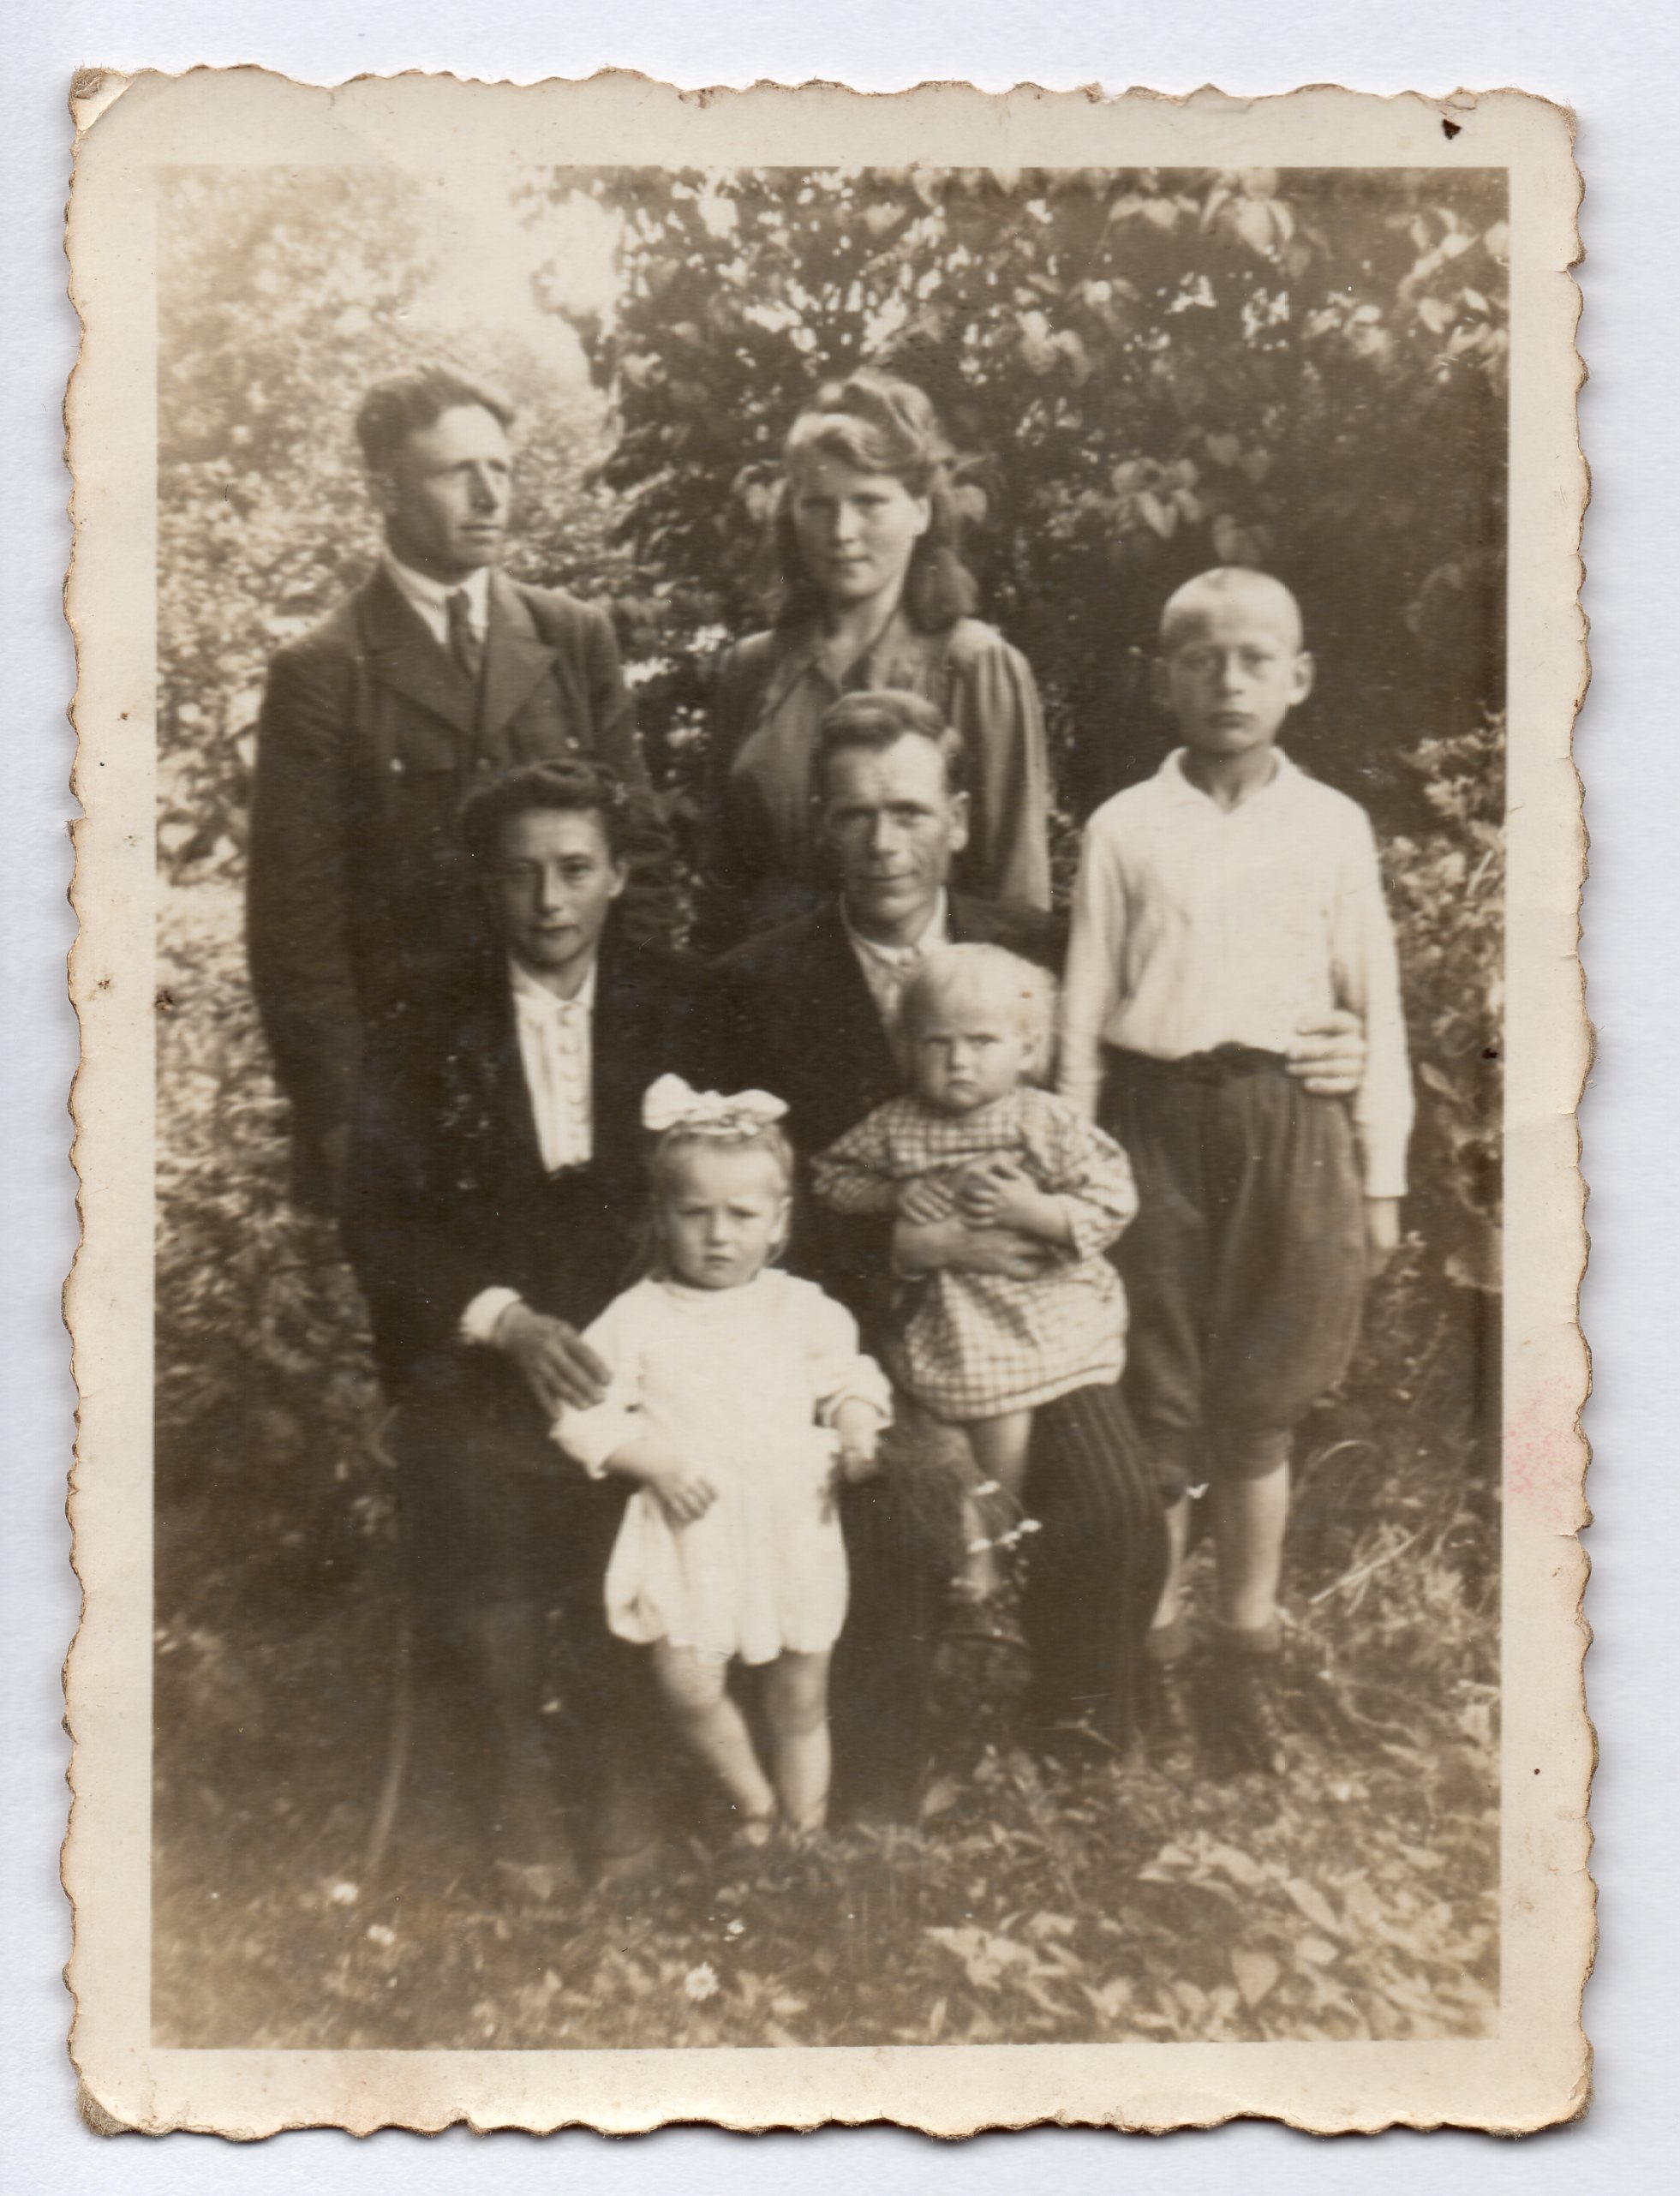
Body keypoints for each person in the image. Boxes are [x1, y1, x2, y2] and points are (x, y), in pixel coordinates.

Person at [712, 691, 1163, 1804]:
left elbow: (1120, 1121)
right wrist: (904, 1245)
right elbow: (744, 1189)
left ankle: (1081, 1748)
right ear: (823, 825)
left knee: (1114, 1501)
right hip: (864, 1327)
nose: (883, 841)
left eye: (909, 810)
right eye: (856, 814)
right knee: (909, 1496)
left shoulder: (1032, 949)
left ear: (957, 818)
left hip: (1032, 1308)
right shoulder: (755, 982)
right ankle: (881, 1781)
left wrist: (1327, 1037)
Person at [1059, 566, 1413, 1770]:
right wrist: (1071, 1162)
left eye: (1257, 657)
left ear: (1298, 677)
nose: (1229, 679)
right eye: (1201, 657)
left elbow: (1378, 1005)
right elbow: (1081, 1009)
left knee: (1258, 1411)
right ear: (1164, 676)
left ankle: (1242, 1653)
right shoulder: (1121, 825)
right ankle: (1149, 1658)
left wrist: (1380, 1175)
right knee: (1157, 1407)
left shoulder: (1330, 826)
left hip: (1289, 1127)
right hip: (1152, 1124)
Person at [342, 759, 708, 1887]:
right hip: (487, 1340)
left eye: (574, 870)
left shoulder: (685, 999)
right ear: (484, 884)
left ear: (618, 876)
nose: (548, 902)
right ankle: (516, 1784)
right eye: (519, 875)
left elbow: (736, 1180)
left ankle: (627, 1766)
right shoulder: (420, 1012)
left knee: (669, 1461)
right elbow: (377, 1214)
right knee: (470, 1470)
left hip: (647, 1333)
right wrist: (503, 1320)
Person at [249, 364, 648, 1212]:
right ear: (384, 489)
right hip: (414, 1092)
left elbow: (640, 858)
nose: (487, 494)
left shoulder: (570, 637)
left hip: (578, 1072)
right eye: (454, 473)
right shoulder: (324, 670)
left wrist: (643, 1055)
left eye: (499, 468)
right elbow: (295, 931)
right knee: (443, 1334)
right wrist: (345, 1123)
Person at [553, 1078, 892, 1844]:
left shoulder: (800, 1307)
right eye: (693, 1214)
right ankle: (755, 1801)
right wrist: (652, 1462)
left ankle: (803, 1835)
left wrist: (857, 1431)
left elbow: (849, 1380)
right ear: (660, 1218)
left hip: (787, 1524)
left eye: (741, 1216)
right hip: (692, 1529)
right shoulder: (636, 1315)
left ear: (778, 1224)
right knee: (688, 1683)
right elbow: (581, 1409)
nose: (717, 1236)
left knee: (799, 1696)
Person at [812, 944, 1135, 1627]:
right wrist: (894, 1194)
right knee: (945, 1429)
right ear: (908, 1048)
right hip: (949, 1313)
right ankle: (979, 1548)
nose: (959, 1061)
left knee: (1001, 1410)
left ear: (1026, 1048)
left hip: (1038, 1308)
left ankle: (988, 1546)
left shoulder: (1043, 1120)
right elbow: (831, 1180)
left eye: (982, 1042)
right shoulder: (896, 1126)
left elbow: (1113, 1198)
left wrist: (1038, 1212)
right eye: (938, 1042)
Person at [696, 368, 1051, 952]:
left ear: (920, 512)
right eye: (818, 505)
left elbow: (1013, 897)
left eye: (869, 502)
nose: (841, 531)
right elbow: (722, 885)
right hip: (772, 1005)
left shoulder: (975, 663)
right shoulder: (753, 668)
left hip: (928, 1005)